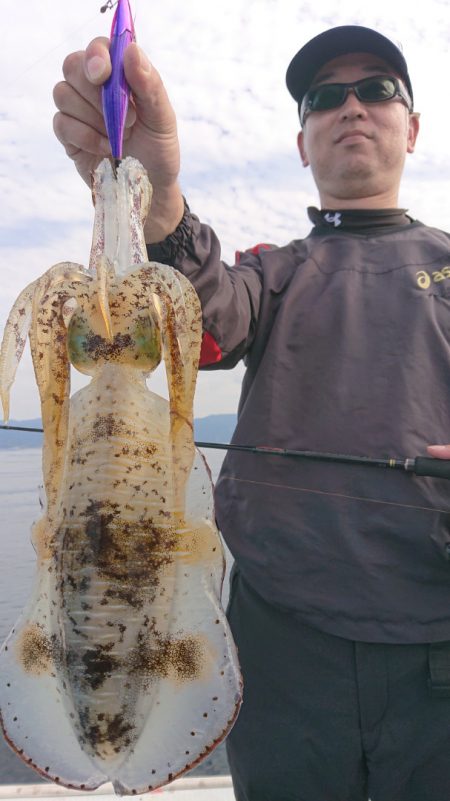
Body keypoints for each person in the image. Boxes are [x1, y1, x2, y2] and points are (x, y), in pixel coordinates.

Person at [53, 23, 450, 801]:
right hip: (280, 644)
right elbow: (203, 319)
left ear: (413, 126)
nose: (353, 108)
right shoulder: (272, 274)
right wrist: (158, 191)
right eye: (326, 97)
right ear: (303, 142)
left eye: (377, 90)